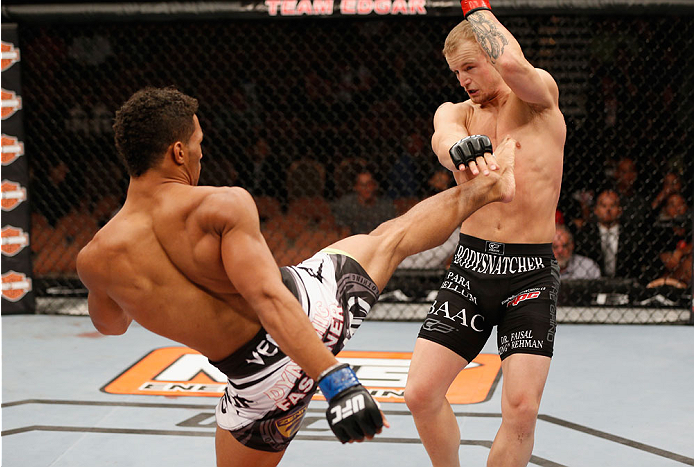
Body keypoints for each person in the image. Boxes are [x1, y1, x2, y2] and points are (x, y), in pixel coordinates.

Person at [75, 87, 518, 467]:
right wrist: (335, 380)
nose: (201, 153)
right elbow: (269, 299)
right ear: (177, 152)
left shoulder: (96, 258)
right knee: (391, 236)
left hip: (259, 384)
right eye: (198, 143)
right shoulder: (219, 205)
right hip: (312, 318)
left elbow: (110, 325)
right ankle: (490, 186)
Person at [403, 3, 566, 467]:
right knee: (419, 393)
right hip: (471, 268)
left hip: (529, 272)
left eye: (471, 67)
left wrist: (478, 11)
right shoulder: (457, 111)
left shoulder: (539, 99)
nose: (464, 81)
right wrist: (456, 149)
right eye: (456, 72)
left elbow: (515, 64)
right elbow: (443, 135)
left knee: (521, 409)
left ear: (494, 56)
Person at [574, 189, 642, 279]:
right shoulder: (585, 236)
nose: (608, 210)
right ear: (595, 210)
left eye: (613, 205)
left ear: (620, 210)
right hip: (593, 284)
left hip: (626, 283)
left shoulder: (633, 235)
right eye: (603, 206)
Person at [331, 168, 397, 234]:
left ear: (375, 186)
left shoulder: (385, 206)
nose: (366, 188)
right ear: (355, 187)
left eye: (369, 184)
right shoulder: (347, 203)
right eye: (362, 185)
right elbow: (344, 232)